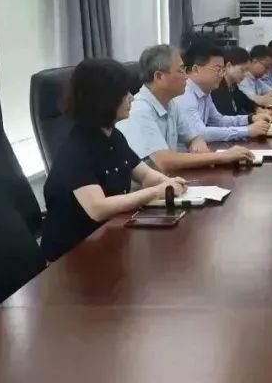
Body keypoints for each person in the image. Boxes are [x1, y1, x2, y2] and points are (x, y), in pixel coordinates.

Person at [40, 58, 186, 261]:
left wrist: (168, 183)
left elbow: (145, 175)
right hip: (72, 256)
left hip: (108, 239)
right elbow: (98, 209)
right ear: (103, 99)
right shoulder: (75, 150)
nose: (132, 98)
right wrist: (155, 192)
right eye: (124, 93)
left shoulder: (114, 136)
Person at [116, 44, 255, 174]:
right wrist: (222, 156)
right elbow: (163, 161)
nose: (186, 75)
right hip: (142, 189)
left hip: (167, 181)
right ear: (159, 76)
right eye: (181, 70)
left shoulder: (170, 103)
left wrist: (197, 142)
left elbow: (194, 137)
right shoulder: (139, 110)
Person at [178, 39, 272, 142]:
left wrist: (250, 118)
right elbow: (200, 133)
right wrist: (246, 131)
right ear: (196, 69)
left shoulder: (205, 91)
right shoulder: (185, 93)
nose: (221, 75)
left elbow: (219, 121)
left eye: (223, 70)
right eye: (218, 69)